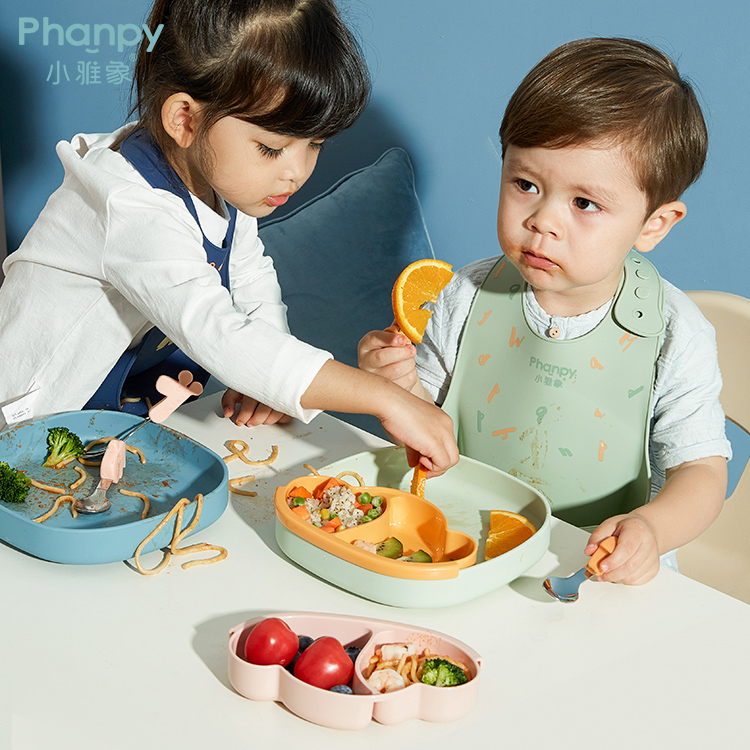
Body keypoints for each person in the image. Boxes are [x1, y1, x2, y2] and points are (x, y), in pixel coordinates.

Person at [0, 0, 457, 478]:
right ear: (185, 120)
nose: (297, 173)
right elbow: (217, 331)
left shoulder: (222, 180)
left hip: (122, 417)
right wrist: (385, 398)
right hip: (33, 421)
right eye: (271, 148)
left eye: (315, 145)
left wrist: (268, 380)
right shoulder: (129, 204)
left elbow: (251, 275)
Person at [358, 37, 732, 584]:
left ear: (654, 224)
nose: (542, 221)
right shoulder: (467, 295)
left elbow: (700, 471)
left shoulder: (676, 332)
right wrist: (397, 388)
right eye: (526, 184)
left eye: (585, 203)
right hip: (459, 541)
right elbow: (427, 429)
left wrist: (650, 529)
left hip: (593, 568)